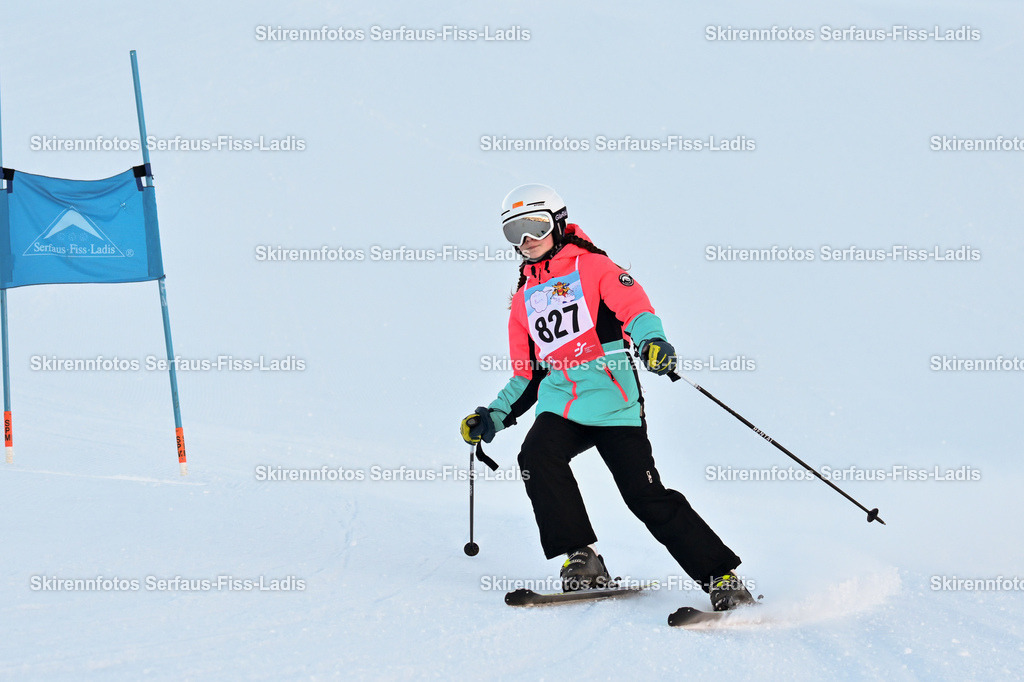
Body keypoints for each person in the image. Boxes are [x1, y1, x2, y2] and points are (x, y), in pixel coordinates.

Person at [460, 184, 756, 611]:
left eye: (535, 227)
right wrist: (494, 415)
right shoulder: (524, 299)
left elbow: (636, 311)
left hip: (615, 404)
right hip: (561, 403)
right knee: (537, 456)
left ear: (558, 224)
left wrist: (652, 341)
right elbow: (527, 373)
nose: (526, 241)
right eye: (514, 233)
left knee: (645, 496)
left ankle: (722, 579)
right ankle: (582, 558)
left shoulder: (595, 267)